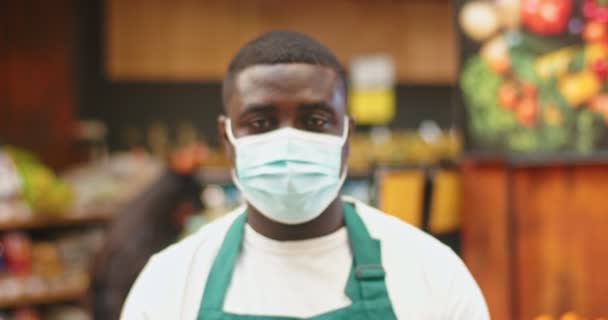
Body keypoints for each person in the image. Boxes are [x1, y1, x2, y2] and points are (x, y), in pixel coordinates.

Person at [120, 31, 490, 320]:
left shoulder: (431, 275)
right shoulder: (169, 285)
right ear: (226, 138)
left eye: (314, 121)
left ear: (347, 135)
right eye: (260, 122)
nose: (288, 140)